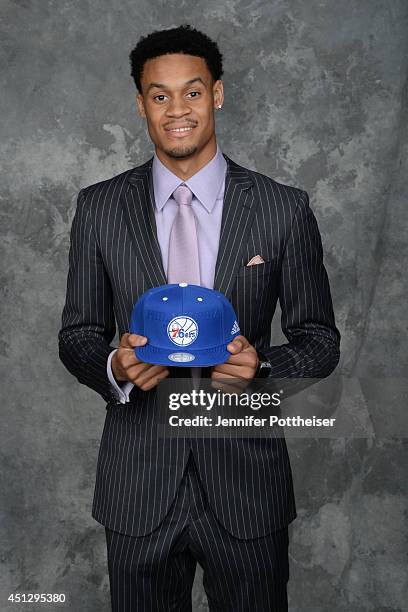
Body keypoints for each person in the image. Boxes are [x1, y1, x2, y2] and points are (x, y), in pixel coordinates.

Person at [58, 23, 340, 612]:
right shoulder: (100, 207)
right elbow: (78, 333)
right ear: (141, 104)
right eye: (159, 95)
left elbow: (320, 341)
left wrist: (261, 366)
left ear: (216, 93)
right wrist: (113, 365)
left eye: (191, 91)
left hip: (246, 483)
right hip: (138, 486)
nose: (176, 109)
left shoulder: (282, 209)